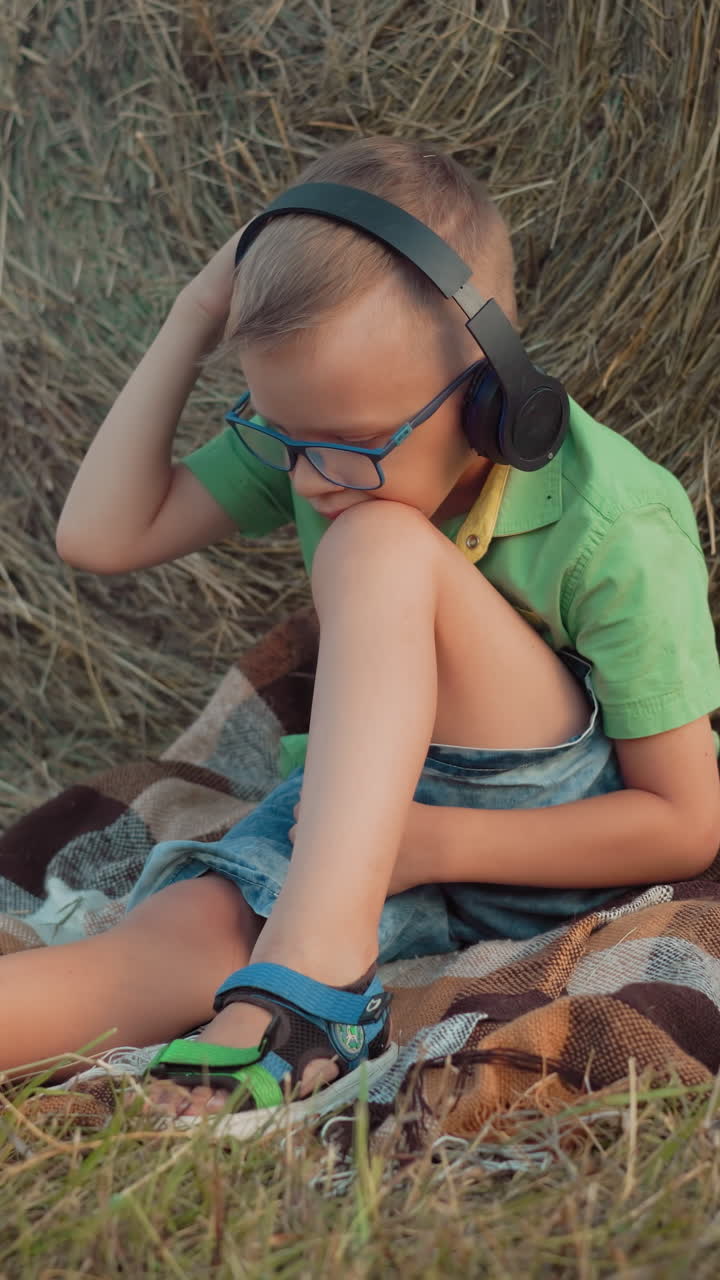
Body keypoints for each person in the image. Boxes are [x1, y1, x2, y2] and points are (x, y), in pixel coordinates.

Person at [4, 137, 719, 1134]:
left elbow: (686, 821)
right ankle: (300, 979)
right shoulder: (323, 433)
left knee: (377, 542)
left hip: (532, 835)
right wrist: (195, 312)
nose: (307, 481)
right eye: (284, 437)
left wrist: (430, 842)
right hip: (344, 822)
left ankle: (315, 964)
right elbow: (100, 534)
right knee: (159, 951)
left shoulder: (618, 521)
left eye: (346, 446)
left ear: (493, 397)